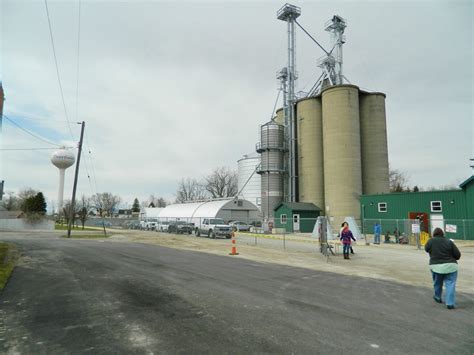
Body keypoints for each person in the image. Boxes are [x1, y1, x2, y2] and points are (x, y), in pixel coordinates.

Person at [424, 228, 461, 309]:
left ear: (434, 234)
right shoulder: (449, 242)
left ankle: (437, 297)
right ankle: (450, 303)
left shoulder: (431, 241)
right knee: (450, 284)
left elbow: (426, 249)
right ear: (443, 234)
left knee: (437, 282)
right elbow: (458, 255)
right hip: (451, 266)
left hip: (436, 266)